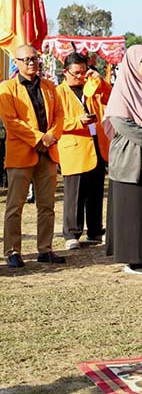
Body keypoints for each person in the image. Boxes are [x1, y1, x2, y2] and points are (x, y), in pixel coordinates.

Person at [0, 45, 65, 267]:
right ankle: (12, 251)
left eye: (34, 58)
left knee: (47, 206)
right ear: (15, 63)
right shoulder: (7, 89)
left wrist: (51, 138)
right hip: (21, 155)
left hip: (48, 154)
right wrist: (39, 139)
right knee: (15, 206)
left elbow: (59, 115)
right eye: (25, 59)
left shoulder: (49, 86)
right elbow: (12, 122)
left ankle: (45, 249)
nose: (31, 63)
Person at [104, 46, 142, 275]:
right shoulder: (122, 90)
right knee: (133, 209)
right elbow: (121, 124)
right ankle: (134, 259)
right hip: (130, 158)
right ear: (132, 64)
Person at [57, 52, 112, 250]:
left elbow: (110, 97)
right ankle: (71, 233)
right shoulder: (58, 93)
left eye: (83, 72)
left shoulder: (92, 87)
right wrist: (76, 122)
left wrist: (100, 81)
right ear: (66, 72)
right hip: (74, 147)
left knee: (96, 191)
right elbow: (55, 122)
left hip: (97, 145)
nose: (80, 77)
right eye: (76, 73)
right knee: (75, 193)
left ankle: (96, 230)